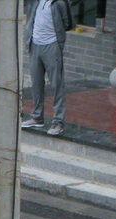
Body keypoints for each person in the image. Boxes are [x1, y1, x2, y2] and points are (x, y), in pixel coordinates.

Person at [23, 0, 73, 136]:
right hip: (35, 45)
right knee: (36, 83)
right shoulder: (35, 2)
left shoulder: (60, 3)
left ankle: (58, 121)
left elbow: (67, 23)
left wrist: (58, 43)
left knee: (57, 84)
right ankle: (37, 117)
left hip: (52, 45)